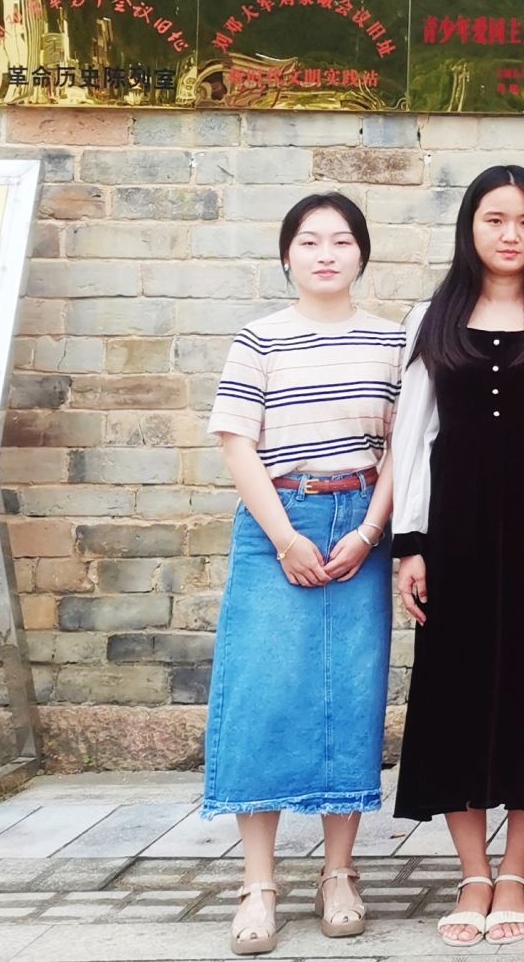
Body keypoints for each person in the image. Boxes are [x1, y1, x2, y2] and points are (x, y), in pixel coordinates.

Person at [387, 165, 524, 947]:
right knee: (456, 696)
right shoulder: (431, 320)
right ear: (469, 227)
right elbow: (413, 438)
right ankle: (473, 873)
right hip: (455, 536)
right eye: (495, 219)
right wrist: (410, 545)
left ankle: (516, 871)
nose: (510, 235)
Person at [204, 194, 403, 956]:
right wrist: (285, 538)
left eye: (341, 241)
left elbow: (404, 444)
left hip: (360, 522)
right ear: (286, 255)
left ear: (362, 254)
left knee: (347, 696)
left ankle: (339, 874)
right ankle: (257, 883)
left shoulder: (391, 341)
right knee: (260, 694)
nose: (326, 254)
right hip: (276, 521)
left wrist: (369, 531)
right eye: (310, 241)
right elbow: (236, 442)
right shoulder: (259, 339)